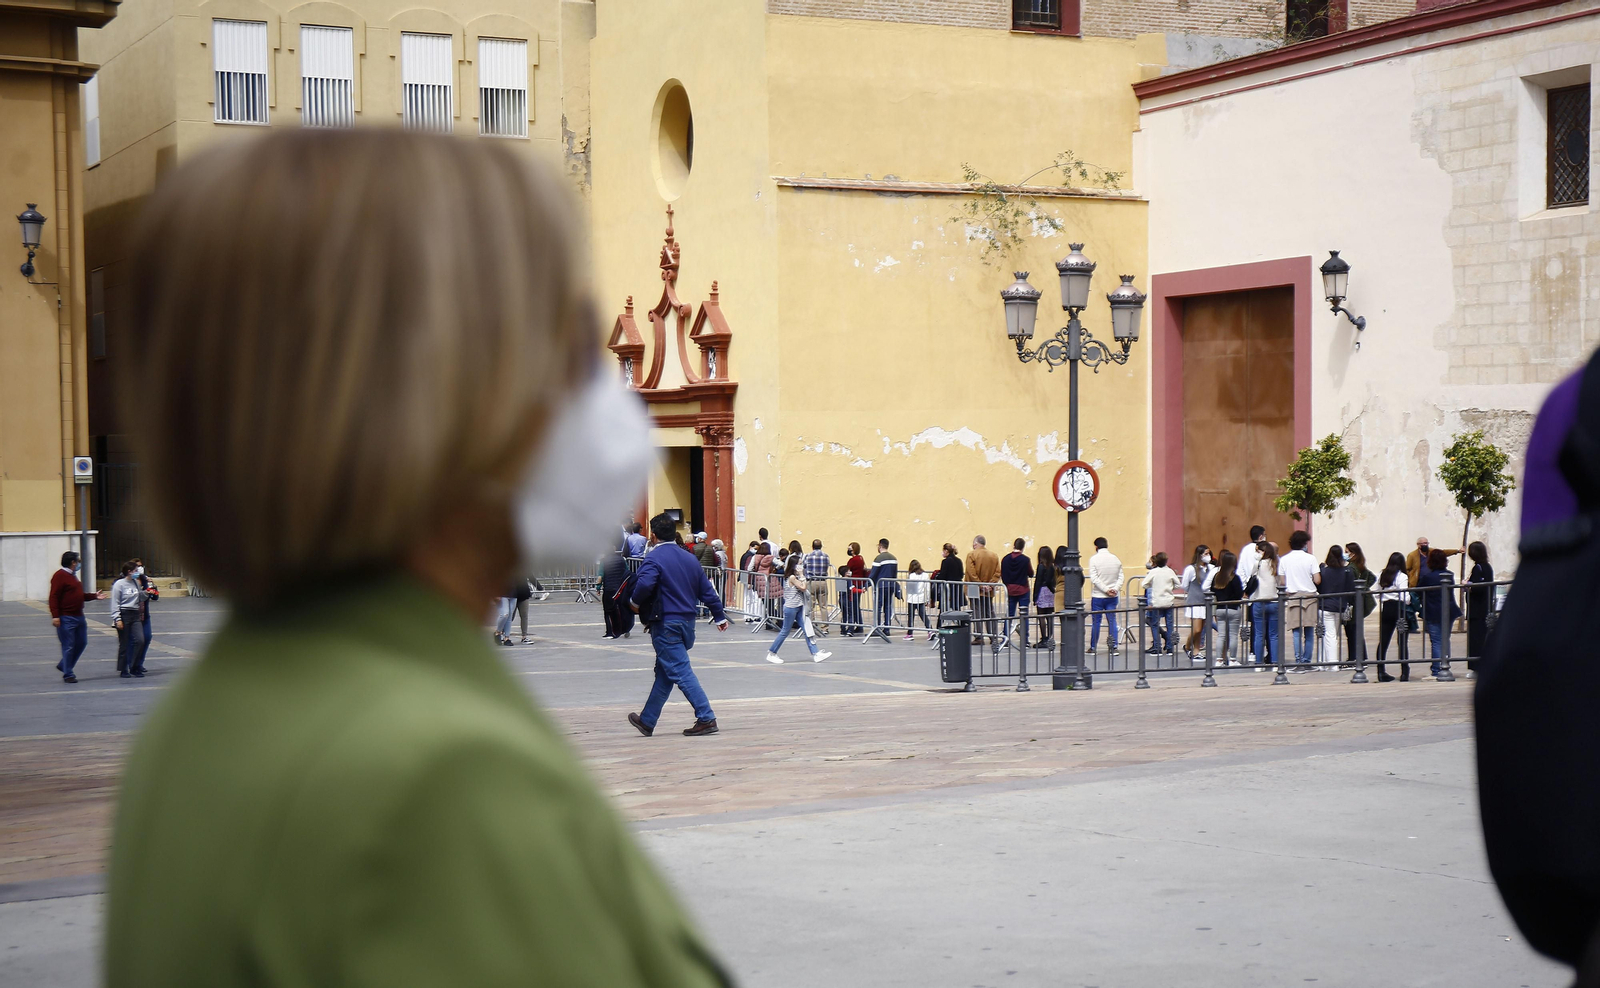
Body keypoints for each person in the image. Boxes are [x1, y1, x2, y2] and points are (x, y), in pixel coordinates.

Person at [105, 131, 729, 985]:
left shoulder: (204, 723)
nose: (597, 387)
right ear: (449, 400)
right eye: (566, 340)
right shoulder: (436, 778)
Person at [632, 513, 731, 736]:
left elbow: (645, 584)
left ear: (653, 535)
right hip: (687, 623)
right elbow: (707, 590)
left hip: (666, 623)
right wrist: (719, 616)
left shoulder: (655, 558)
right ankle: (647, 720)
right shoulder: (689, 558)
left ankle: (706, 717)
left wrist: (634, 602)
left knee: (681, 671)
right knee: (667, 671)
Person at [48, 550, 104, 683]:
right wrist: (55, 616)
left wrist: (94, 596)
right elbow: (54, 596)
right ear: (73, 562)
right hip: (66, 617)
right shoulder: (60, 576)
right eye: (78, 561)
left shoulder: (73, 576)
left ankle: (64, 665)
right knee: (68, 645)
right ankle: (68, 674)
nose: (79, 563)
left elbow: (78, 595)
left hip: (79, 615)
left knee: (82, 642)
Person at [765, 553, 830, 664]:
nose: (802, 567)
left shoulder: (797, 577)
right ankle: (772, 653)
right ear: (794, 566)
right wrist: (802, 575)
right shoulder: (792, 577)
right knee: (785, 631)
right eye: (799, 564)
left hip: (799, 606)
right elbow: (804, 588)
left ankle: (816, 653)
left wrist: (801, 576)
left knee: (807, 629)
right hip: (791, 607)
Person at [1417, 547, 1461, 676]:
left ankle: (1437, 668)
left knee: (1436, 641)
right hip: (1449, 610)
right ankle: (1445, 665)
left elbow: (1419, 591)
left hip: (1433, 611)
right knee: (1445, 638)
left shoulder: (1427, 577)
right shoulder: (1450, 575)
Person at [1280, 530, 1319, 667]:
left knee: (1296, 631)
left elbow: (1283, 582)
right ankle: (1307, 660)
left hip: (1293, 596)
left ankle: (1298, 661)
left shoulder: (1284, 559)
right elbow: (1317, 579)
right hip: (1309, 596)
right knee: (1309, 631)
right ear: (1304, 543)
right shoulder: (1311, 558)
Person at [1374, 550, 1410, 682]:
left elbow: (1376, 592)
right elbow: (1405, 596)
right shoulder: (1402, 576)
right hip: (1399, 608)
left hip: (1387, 608)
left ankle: (1381, 671)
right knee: (1402, 641)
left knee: (1383, 641)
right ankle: (1404, 672)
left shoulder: (1382, 575)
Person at [1316, 545, 1355, 668]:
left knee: (1327, 634)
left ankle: (1330, 663)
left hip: (1325, 605)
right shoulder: (1346, 572)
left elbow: (1319, 587)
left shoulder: (1324, 571)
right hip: (1339, 606)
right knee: (1333, 634)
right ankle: (1329, 662)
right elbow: (1351, 589)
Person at [110, 560, 150, 679]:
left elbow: (139, 597)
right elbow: (115, 602)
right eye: (135, 570)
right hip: (124, 613)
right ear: (129, 571)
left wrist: (148, 592)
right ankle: (123, 668)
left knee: (140, 640)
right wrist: (117, 618)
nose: (137, 573)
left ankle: (134, 666)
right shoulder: (119, 584)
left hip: (135, 614)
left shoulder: (135, 583)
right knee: (125, 643)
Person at [1087, 537, 1123, 655]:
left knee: (1096, 622)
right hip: (1112, 596)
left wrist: (1105, 590)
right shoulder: (1115, 559)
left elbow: (1094, 578)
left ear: (1096, 547)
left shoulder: (1094, 559)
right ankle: (1114, 647)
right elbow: (1120, 576)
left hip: (1098, 595)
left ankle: (1093, 647)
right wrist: (1115, 589)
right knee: (1112, 620)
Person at [1235, 525, 1266, 659]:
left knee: (1254, 622)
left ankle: (1253, 650)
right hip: (1261, 590)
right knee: (1261, 623)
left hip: (1250, 590)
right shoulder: (1262, 550)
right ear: (1260, 536)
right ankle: (1258, 650)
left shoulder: (1245, 550)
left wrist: (1243, 589)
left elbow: (1240, 570)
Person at [1179, 544, 1213, 662]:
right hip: (1195, 602)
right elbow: (1184, 585)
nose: (1208, 556)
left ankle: (1196, 650)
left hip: (1206, 602)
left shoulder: (1211, 568)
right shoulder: (1191, 569)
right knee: (1196, 629)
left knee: (1201, 629)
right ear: (1199, 555)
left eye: (1209, 553)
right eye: (1205, 554)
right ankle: (1187, 646)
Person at [1250, 542, 1281, 668]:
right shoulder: (1276, 564)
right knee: (1273, 635)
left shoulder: (1258, 564)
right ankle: (1274, 662)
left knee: (1259, 634)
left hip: (1259, 600)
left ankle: (1259, 663)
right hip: (1274, 600)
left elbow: (1251, 576)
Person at [1210, 550, 1244, 665]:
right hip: (1233, 608)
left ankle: (1219, 659)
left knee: (1221, 635)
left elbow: (1212, 590)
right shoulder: (1235, 578)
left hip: (1220, 608)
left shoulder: (1217, 577)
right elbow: (1239, 593)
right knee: (1233, 635)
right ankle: (1233, 659)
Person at [1465, 540, 1495, 673]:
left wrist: (1467, 585)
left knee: (1476, 638)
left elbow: (1477, 588)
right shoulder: (1487, 566)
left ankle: (1476, 666)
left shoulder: (1478, 568)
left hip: (1477, 609)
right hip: (1485, 606)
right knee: (1482, 636)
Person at [965, 535, 1000, 645]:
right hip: (989, 590)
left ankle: (979, 636)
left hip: (974, 589)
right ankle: (993, 636)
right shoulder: (994, 555)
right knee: (989, 611)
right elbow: (998, 572)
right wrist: (990, 584)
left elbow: (971, 572)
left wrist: (980, 584)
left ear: (975, 544)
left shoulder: (971, 554)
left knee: (976, 612)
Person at [1000, 537, 1034, 648]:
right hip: (1023, 589)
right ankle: (1025, 640)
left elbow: (1003, 574)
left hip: (1010, 589)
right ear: (1023, 547)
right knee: (1024, 615)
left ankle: (1005, 637)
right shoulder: (1025, 560)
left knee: (1009, 615)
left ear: (1014, 546)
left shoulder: (1005, 559)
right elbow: (1031, 573)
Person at [1145, 552, 1178, 655]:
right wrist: (1170, 588)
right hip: (1168, 601)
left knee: (1155, 624)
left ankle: (1157, 647)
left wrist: (1153, 585)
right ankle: (1170, 648)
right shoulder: (1170, 571)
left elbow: (1144, 584)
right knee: (1170, 625)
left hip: (1157, 602)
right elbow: (1177, 584)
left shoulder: (1153, 572)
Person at [867, 539, 900, 642]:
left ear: (880, 546)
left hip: (880, 586)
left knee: (878, 607)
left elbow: (873, 574)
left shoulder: (879, 558)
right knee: (887, 607)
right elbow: (895, 573)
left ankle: (877, 628)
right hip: (890, 585)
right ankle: (887, 628)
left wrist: (866, 584)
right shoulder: (894, 558)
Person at [600, 540, 632, 639]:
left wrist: (597, 587)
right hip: (620, 589)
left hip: (609, 589)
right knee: (621, 609)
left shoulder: (603, 561)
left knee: (608, 611)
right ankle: (625, 629)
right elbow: (627, 572)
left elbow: (600, 576)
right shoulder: (622, 560)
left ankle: (610, 632)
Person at [802, 538, 832, 635]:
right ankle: (825, 627)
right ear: (821, 546)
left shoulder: (808, 556)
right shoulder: (826, 556)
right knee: (823, 606)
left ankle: (811, 625)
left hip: (812, 581)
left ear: (812, 546)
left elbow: (804, 567)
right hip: (822, 581)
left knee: (811, 605)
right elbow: (827, 566)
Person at [842, 542, 867, 636]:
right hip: (860, 583)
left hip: (854, 584)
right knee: (856, 605)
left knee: (853, 606)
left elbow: (847, 569)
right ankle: (859, 625)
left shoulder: (853, 560)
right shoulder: (861, 558)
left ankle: (856, 626)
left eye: (850, 548)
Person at [1033, 546, 1056, 648]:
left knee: (1041, 616)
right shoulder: (1052, 566)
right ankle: (1051, 638)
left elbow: (1038, 582)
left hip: (1042, 590)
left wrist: (1034, 596)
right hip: (1050, 591)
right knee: (1049, 616)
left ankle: (1044, 638)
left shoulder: (1041, 566)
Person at [904, 560, 932, 641]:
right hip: (921, 598)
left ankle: (910, 633)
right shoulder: (925, 575)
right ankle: (930, 630)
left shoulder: (912, 575)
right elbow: (927, 588)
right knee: (923, 615)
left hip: (912, 598)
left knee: (911, 616)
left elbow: (910, 588)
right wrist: (927, 599)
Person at [935, 543, 964, 613]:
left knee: (944, 610)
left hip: (948, 589)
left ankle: (940, 623)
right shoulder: (959, 560)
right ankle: (959, 623)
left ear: (946, 551)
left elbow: (943, 575)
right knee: (957, 609)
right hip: (957, 588)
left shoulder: (945, 561)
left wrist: (936, 577)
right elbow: (961, 574)